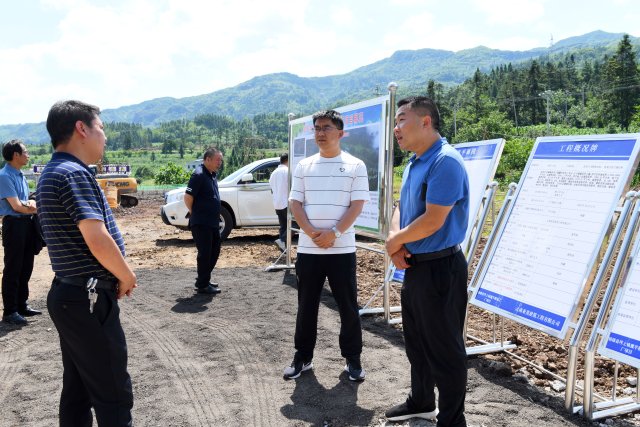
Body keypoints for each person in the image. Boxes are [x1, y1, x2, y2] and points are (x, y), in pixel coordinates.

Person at [36, 100, 137, 426]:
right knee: (113, 396)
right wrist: (127, 275)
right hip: (88, 297)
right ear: (82, 129)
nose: (104, 138)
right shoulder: (73, 173)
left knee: (78, 390)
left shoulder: (52, 171)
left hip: (71, 295)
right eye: (101, 129)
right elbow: (96, 238)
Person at [384, 96, 469, 426]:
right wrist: (395, 243)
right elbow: (399, 209)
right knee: (417, 342)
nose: (396, 128)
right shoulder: (415, 162)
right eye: (395, 122)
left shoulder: (444, 161)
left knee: (445, 351)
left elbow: (434, 219)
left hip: (440, 269)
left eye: (401, 119)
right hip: (415, 266)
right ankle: (421, 401)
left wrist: (397, 241)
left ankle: (451, 420)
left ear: (425, 122)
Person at [284, 110, 370, 382]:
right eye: (317, 128)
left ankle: (353, 360)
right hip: (309, 250)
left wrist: (334, 233)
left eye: (327, 128)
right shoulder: (304, 166)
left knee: (347, 306)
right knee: (306, 305)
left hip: (342, 249)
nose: (321, 133)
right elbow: (294, 203)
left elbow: (357, 205)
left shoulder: (356, 165)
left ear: (341, 133)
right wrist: (311, 232)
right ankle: (303, 357)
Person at [0, 140, 42, 325]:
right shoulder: (4, 176)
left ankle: (21, 304)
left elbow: (26, 203)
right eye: (25, 151)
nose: (28, 154)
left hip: (26, 225)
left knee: (26, 266)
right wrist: (32, 207)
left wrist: (29, 206)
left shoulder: (20, 175)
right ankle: (10, 311)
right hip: (14, 225)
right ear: (16, 155)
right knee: (13, 268)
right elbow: (17, 206)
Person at [184, 147, 224, 295]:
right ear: (208, 159)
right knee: (205, 253)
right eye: (217, 159)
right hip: (202, 223)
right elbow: (187, 197)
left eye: (221, 160)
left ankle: (204, 279)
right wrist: (195, 213)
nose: (220, 162)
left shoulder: (212, 174)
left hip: (212, 222)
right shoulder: (199, 175)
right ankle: (202, 285)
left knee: (215, 251)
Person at [269, 153, 289, 251]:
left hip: (277, 203)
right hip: (286, 203)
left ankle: (283, 249)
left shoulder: (274, 173)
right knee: (295, 224)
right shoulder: (287, 171)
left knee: (283, 225)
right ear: (288, 160)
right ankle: (282, 240)